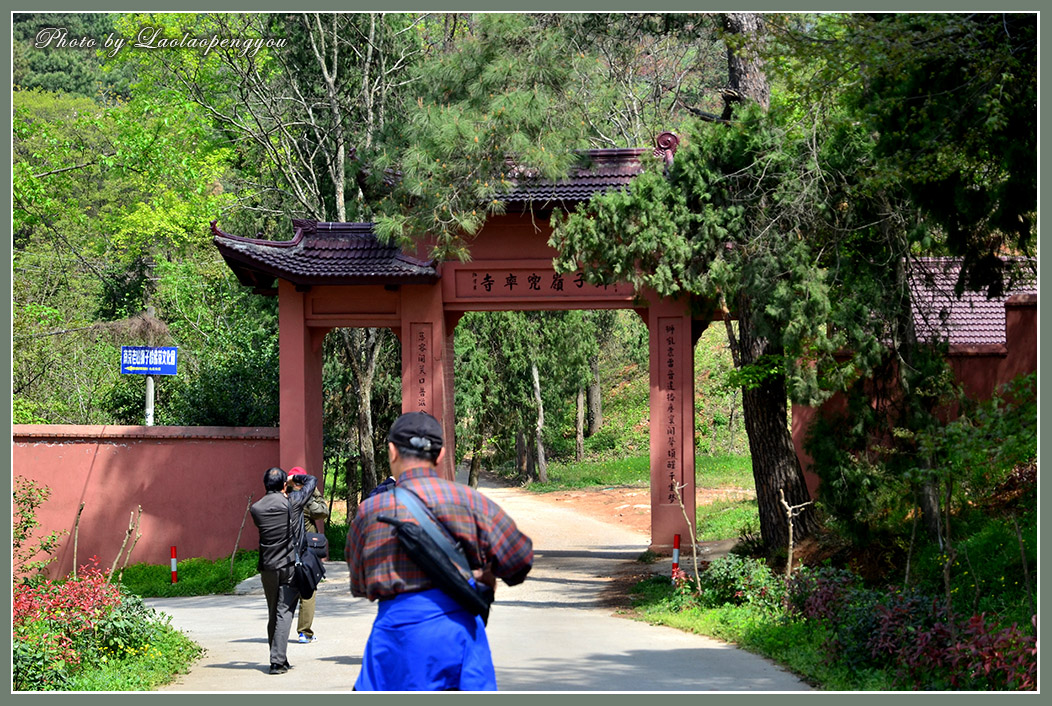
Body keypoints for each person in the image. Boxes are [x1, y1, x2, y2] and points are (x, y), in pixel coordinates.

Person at [347, 412, 533, 691]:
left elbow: (361, 586)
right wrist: (485, 577)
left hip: (394, 646)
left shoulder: (368, 512)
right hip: (456, 639)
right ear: (440, 455)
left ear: (392, 451)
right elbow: (518, 561)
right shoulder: (469, 501)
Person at [250, 466, 317, 675]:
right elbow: (312, 481)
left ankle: (279, 656)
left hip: (267, 568)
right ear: (283, 485)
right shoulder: (292, 502)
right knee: (284, 611)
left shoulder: (256, 508)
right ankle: (277, 662)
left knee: (273, 612)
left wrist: (283, 485)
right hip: (289, 565)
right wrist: (294, 478)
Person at [287, 467, 329, 644]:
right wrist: (316, 492)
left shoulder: (285, 497)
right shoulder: (303, 499)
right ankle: (304, 632)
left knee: (287, 590)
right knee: (308, 589)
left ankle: (279, 631)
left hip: (287, 549)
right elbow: (323, 512)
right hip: (304, 550)